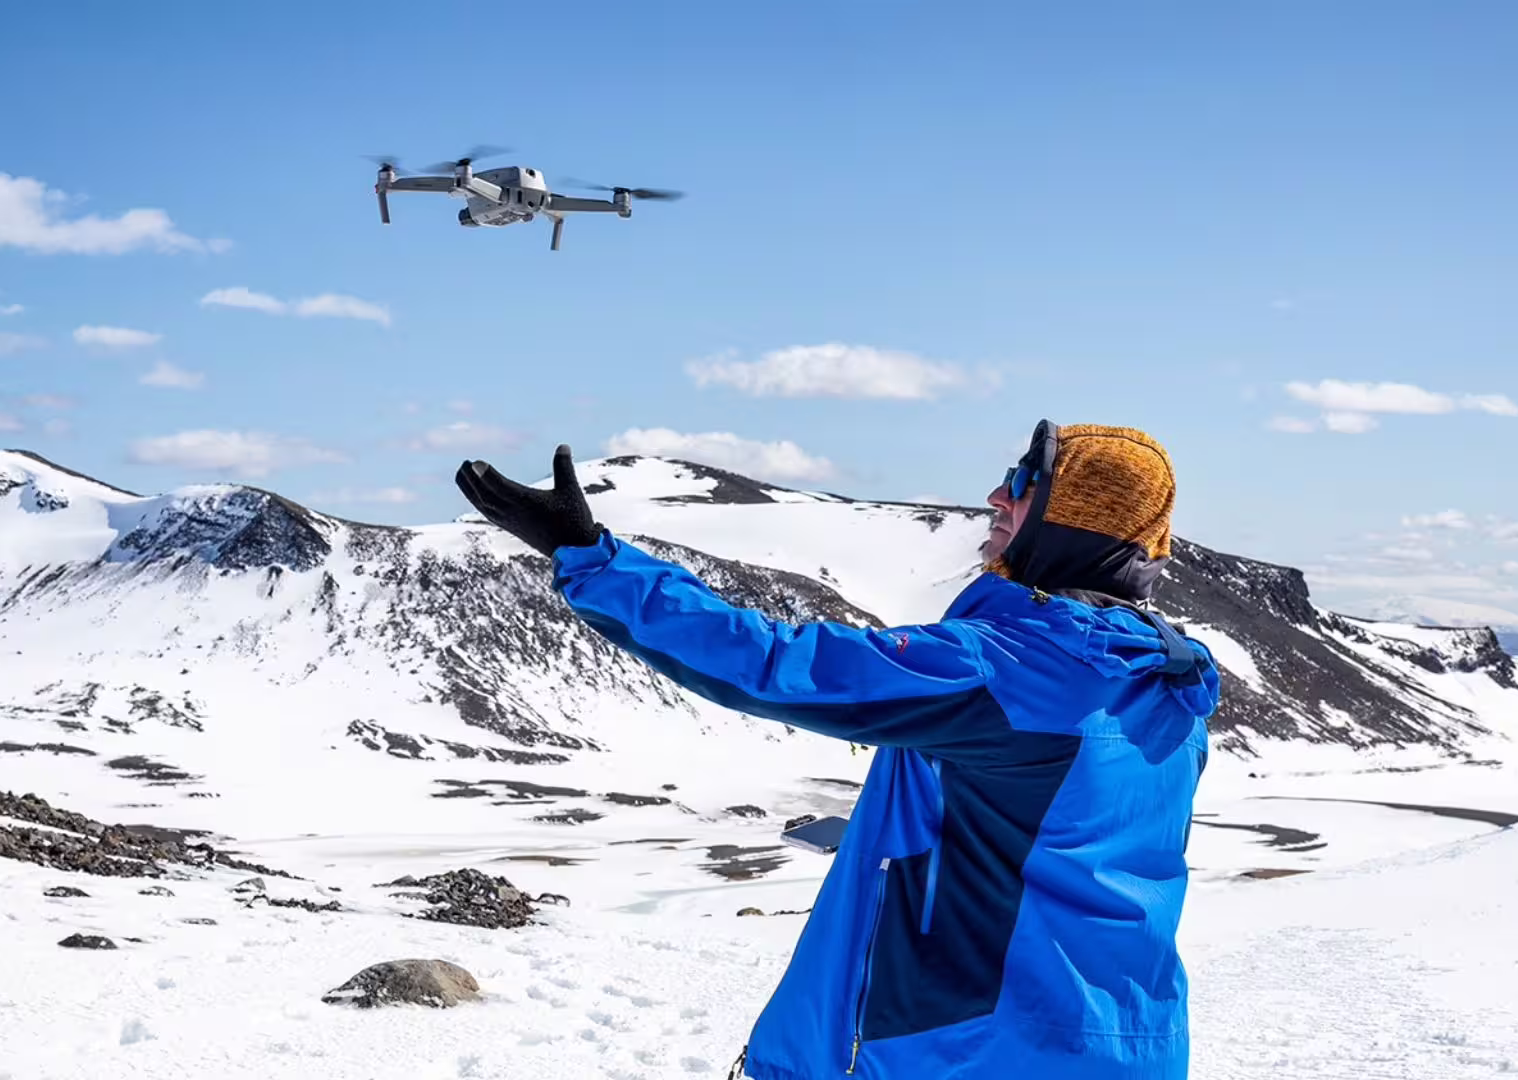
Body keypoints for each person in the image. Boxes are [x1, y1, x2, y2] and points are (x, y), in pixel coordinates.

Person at [454, 420, 1221, 1080]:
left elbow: (775, 662)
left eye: (1021, 484)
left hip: (970, 1050)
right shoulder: (1167, 685)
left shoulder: (1008, 674)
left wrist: (589, 558)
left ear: (1067, 522)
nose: (995, 498)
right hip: (1125, 1048)